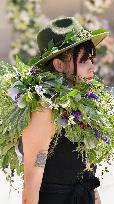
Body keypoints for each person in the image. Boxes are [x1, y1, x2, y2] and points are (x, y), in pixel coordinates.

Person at [21, 16, 109, 204]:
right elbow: (31, 189)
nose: (93, 68)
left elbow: (87, 174)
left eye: (92, 59)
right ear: (59, 65)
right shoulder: (44, 110)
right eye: (84, 61)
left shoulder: (83, 103)